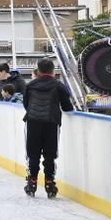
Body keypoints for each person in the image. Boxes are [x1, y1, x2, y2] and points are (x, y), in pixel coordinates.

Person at [22, 57, 75, 198]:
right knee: (49, 155)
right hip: (51, 123)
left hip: (33, 121)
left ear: (38, 70)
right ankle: (50, 182)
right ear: (53, 71)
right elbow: (67, 106)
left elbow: (26, 104)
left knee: (33, 154)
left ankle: (32, 182)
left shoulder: (30, 85)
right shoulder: (58, 85)